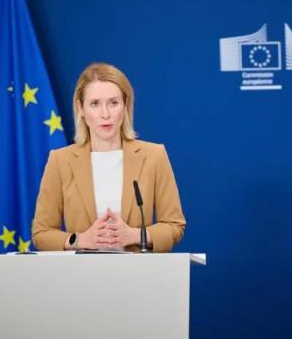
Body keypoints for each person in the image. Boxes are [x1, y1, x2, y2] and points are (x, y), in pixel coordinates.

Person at [32, 62, 186, 252]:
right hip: (81, 270)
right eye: (95, 104)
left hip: (137, 269)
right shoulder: (60, 161)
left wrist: (134, 235)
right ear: (81, 108)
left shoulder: (154, 156)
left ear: (125, 105)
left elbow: (174, 225)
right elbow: (41, 233)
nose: (105, 114)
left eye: (113, 103)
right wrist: (81, 239)